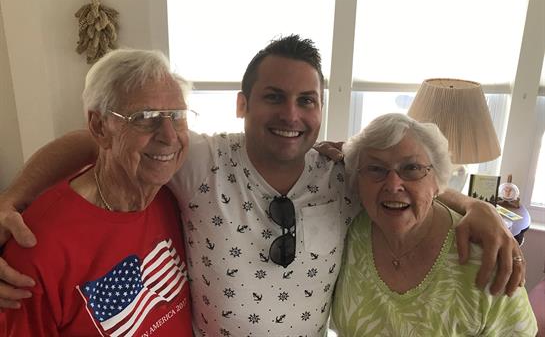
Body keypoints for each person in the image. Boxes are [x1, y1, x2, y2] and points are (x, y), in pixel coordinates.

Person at [0, 36, 524, 336]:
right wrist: (12, 199)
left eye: (306, 101)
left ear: (320, 109)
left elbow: (401, 178)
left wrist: (472, 207)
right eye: (274, 97)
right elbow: (93, 141)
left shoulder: (342, 174)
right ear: (243, 104)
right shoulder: (197, 159)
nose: (291, 115)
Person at [2, 50, 193, 335]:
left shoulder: (176, 192)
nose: (169, 135)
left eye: (177, 116)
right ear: (99, 126)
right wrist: (10, 198)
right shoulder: (37, 246)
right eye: (145, 117)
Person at [331, 113, 537, 336]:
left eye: (412, 168)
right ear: (356, 181)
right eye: (376, 169)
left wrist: (479, 206)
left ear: (437, 180)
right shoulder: (345, 227)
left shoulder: (486, 255)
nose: (393, 185)